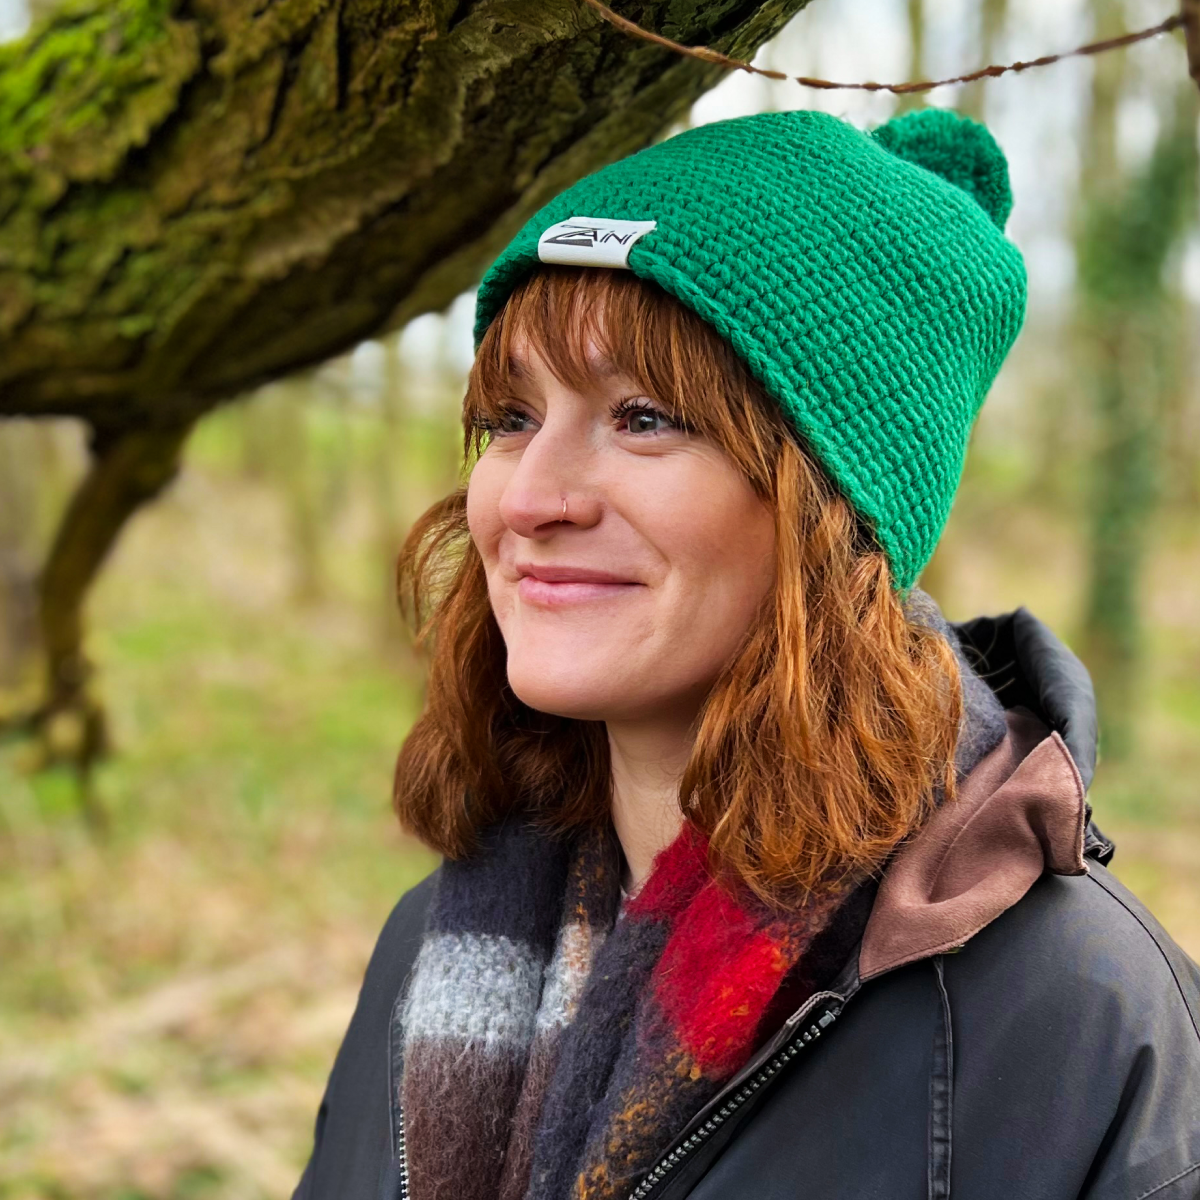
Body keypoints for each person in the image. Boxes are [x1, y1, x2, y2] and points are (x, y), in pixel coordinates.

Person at [293, 108, 1200, 1200]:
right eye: (511, 417)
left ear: (833, 515)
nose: (530, 497)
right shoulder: (435, 944)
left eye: (643, 417)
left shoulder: (1075, 1023)